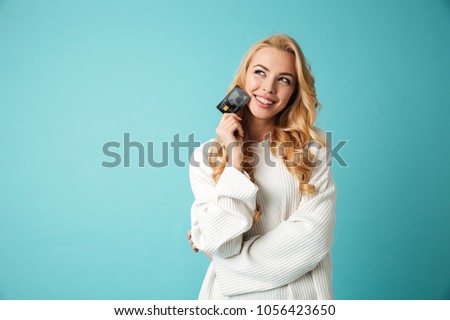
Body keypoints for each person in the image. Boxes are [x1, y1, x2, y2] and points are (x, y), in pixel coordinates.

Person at [187, 34, 337, 299]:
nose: (268, 88)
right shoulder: (205, 157)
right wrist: (234, 159)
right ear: (244, 77)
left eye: (283, 80)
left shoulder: (312, 152)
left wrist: (225, 261)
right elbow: (221, 241)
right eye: (260, 72)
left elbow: (313, 239)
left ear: (294, 92)